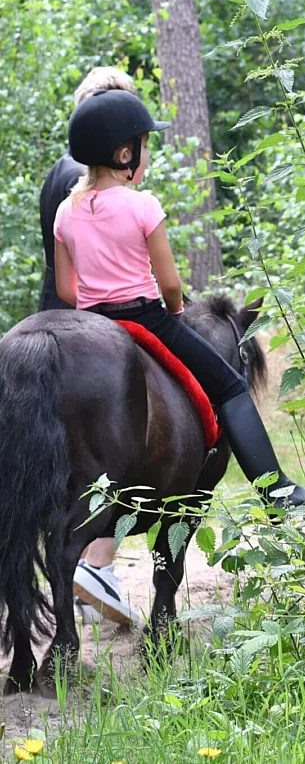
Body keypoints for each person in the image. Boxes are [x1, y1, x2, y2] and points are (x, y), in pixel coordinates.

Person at [53, 91, 305, 538]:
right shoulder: (143, 206)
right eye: (144, 145)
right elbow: (171, 284)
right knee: (229, 387)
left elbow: (64, 289)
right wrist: (175, 311)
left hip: (92, 325)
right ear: (124, 153)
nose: (146, 154)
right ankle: (277, 493)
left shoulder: (65, 212)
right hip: (148, 318)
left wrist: (94, 308)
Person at [39, 68, 141, 627]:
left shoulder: (59, 174)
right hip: (98, 319)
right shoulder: (106, 181)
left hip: (50, 317)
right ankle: (97, 563)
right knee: (128, 448)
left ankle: (73, 573)